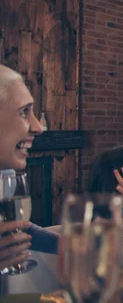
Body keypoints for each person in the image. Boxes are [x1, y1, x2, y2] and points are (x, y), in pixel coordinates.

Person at [0, 64, 58, 271]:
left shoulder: (4, 176)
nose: (38, 127)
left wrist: (77, 245)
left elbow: (17, 231)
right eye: (24, 112)